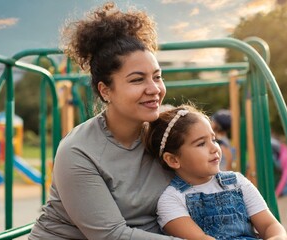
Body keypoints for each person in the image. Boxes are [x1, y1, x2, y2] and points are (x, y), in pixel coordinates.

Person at [29, 2, 182, 239]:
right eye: (137, 80)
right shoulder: (78, 151)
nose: (154, 89)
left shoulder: (168, 130)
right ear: (105, 91)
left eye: (157, 77)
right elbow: (112, 235)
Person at [144, 104, 287, 240]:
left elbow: (270, 225)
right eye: (201, 143)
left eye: (214, 140)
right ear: (173, 160)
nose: (214, 148)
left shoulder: (237, 182)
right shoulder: (171, 199)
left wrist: (277, 237)